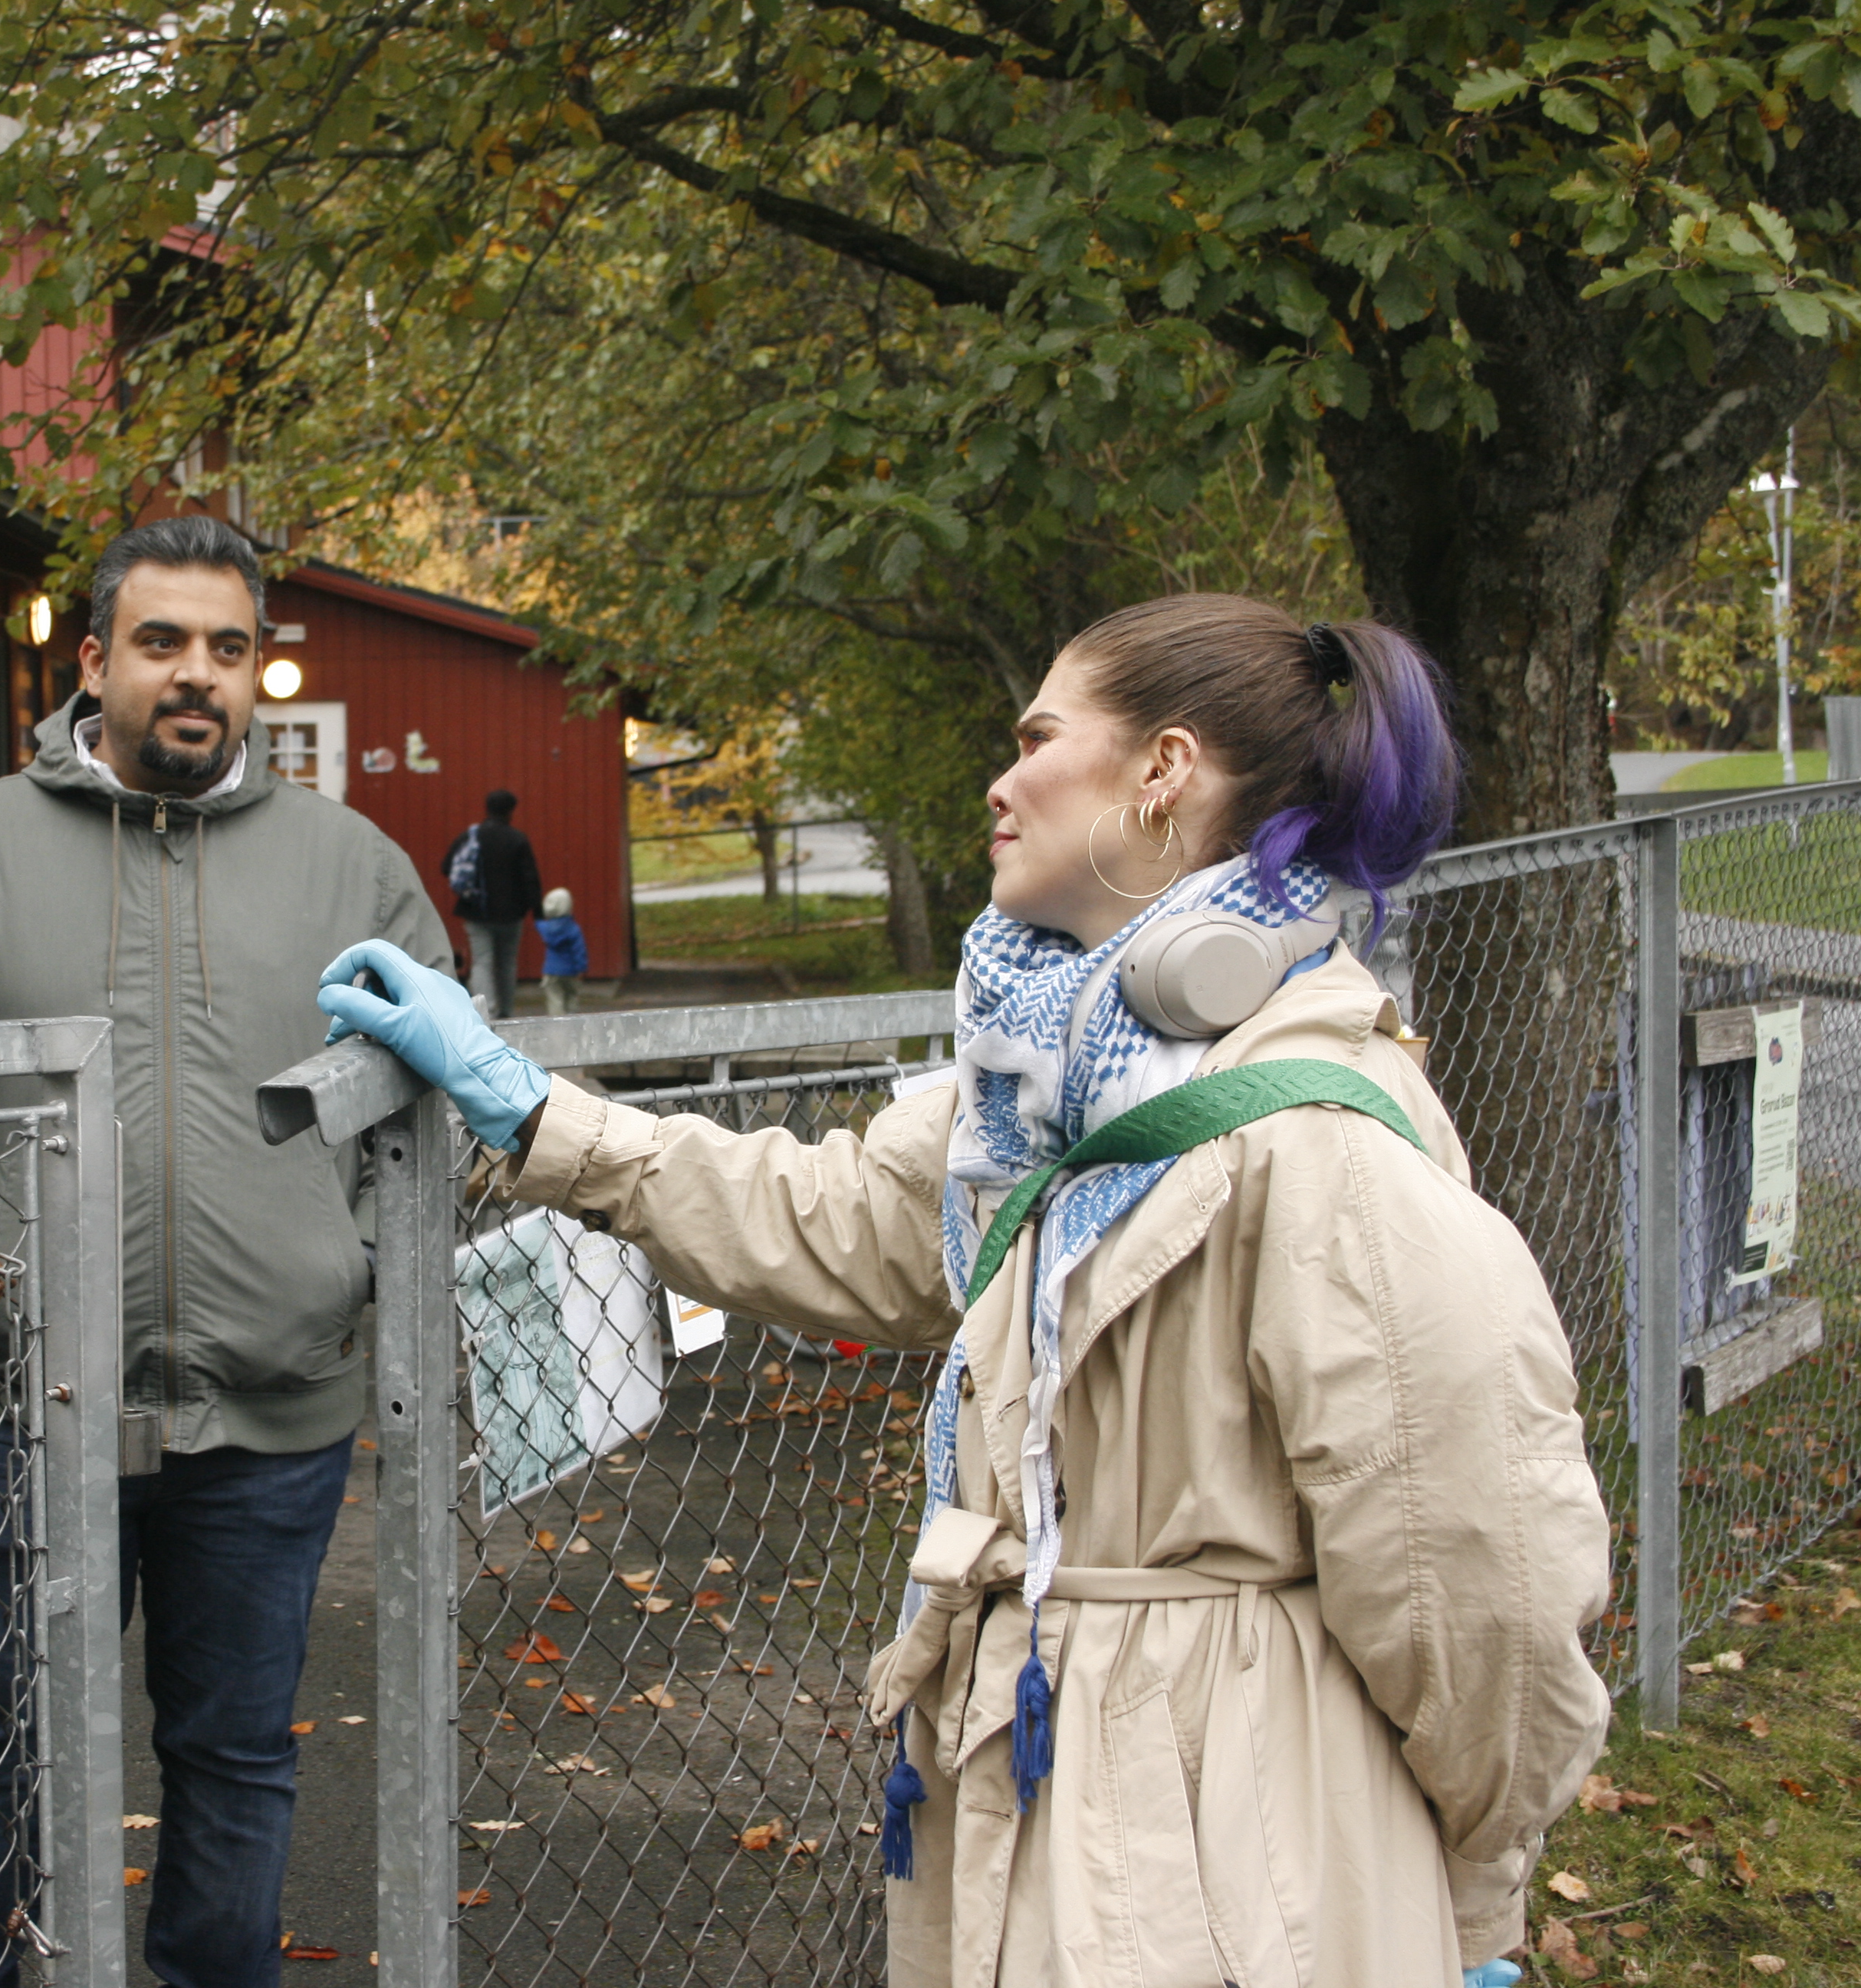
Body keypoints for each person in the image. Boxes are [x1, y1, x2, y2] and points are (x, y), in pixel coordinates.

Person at [315, 594, 1609, 1988]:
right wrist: (531, 1109)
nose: (1000, 782)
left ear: (1163, 771)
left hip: (1252, 1863)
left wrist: (1477, 1903)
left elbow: (1484, 1601)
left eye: (1037, 739)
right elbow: (838, 1218)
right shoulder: (1045, 1089)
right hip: (1037, 1768)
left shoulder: (1322, 1144)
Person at [0, 515, 455, 1988]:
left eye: (228, 649)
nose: (196, 675)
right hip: (29, 1410)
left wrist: (345, 1265)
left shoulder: (351, 867)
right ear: (93, 659)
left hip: (273, 1419)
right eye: (161, 642)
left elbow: (435, 1102)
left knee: (234, 1754)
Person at [442, 788, 544, 1015]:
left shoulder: (471, 837)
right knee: (507, 963)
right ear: (510, 811)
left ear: (487, 808)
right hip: (511, 914)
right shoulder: (517, 839)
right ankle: (506, 1011)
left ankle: (487, 1012)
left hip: (476, 911)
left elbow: (447, 866)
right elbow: (530, 878)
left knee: (482, 962)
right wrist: (537, 912)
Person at [533, 886, 588, 1016]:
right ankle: (572, 1020)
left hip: (551, 970)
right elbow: (579, 950)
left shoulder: (545, 928)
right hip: (571, 971)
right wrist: (581, 968)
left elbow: (538, 922)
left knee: (554, 999)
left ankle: (557, 1022)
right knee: (572, 996)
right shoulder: (573, 929)